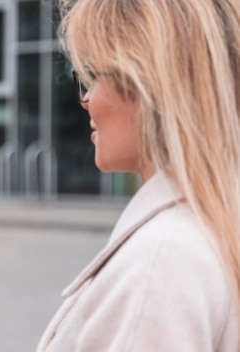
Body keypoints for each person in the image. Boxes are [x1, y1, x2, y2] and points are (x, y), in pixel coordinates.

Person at [38, 0, 240, 350]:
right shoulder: (214, 222)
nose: (85, 99)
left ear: (143, 81)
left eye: (90, 74)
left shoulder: (161, 263)